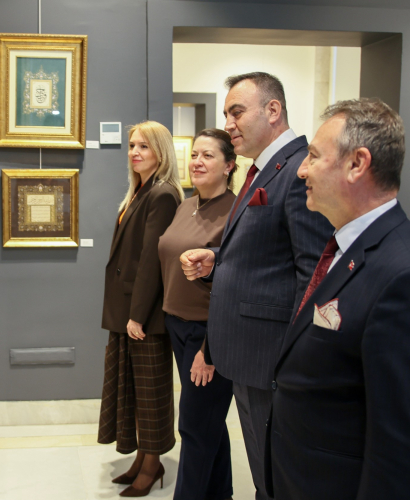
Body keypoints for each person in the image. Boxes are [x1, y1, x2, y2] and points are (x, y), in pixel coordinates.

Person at [265, 98, 410, 500]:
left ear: (357, 164)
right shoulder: (345, 249)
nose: (302, 170)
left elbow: (400, 451)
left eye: (314, 157)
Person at [179, 72, 332, 500]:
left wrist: (295, 361)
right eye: (226, 113)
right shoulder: (263, 170)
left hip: (271, 359)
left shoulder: (297, 171)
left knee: (275, 476)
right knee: (264, 469)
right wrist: (218, 260)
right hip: (249, 354)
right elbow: (268, 253)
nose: (228, 123)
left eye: (237, 112)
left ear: (273, 110)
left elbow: (312, 274)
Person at [99, 120, 184, 497]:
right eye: (132, 145)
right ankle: (141, 458)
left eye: (144, 146)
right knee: (132, 390)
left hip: (144, 315)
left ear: (160, 152)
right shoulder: (140, 191)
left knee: (150, 394)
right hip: (127, 310)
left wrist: (137, 314)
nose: (134, 152)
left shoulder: (162, 194)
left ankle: (152, 465)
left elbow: (152, 259)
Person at [158, 128, 238, 500]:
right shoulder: (184, 205)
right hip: (177, 324)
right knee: (208, 423)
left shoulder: (237, 212)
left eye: (208, 156)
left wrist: (211, 348)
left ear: (229, 165)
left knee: (193, 427)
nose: (197, 162)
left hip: (208, 332)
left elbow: (235, 285)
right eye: (194, 155)